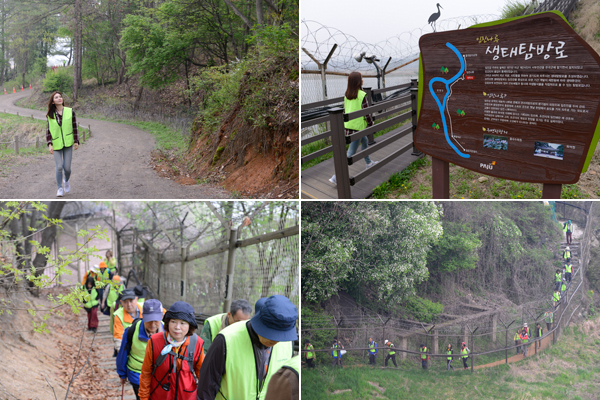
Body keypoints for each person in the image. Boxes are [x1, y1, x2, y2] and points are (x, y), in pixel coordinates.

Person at [196, 295, 296, 400]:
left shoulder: (288, 344)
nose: (276, 340)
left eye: (281, 335)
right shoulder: (226, 339)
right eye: (271, 333)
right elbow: (206, 389)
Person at [138, 301, 205, 400]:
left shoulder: (197, 343)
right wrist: (144, 398)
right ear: (168, 322)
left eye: (183, 323)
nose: (177, 327)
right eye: (173, 321)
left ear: (189, 326)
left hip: (188, 396)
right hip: (160, 396)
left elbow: (203, 375)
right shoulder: (154, 341)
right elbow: (146, 372)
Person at [329, 71, 378, 186]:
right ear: (358, 81)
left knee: (365, 141)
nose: (362, 80)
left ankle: (369, 163)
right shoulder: (362, 95)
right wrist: (371, 124)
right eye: (361, 78)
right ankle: (336, 176)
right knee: (350, 153)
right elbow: (367, 113)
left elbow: (345, 111)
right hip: (359, 128)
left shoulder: (346, 95)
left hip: (349, 127)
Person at [117, 299, 164, 400]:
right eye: (149, 320)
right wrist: (122, 373)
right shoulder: (132, 330)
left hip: (161, 376)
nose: (152, 324)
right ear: (143, 316)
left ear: (161, 317)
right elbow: (123, 353)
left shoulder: (168, 331)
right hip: (137, 375)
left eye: (156, 320)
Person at [46, 91, 79, 197]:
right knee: (59, 167)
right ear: (53, 102)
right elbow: (48, 130)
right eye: (56, 97)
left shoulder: (70, 111)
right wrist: (49, 144)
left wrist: (76, 141)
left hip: (68, 143)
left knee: (67, 168)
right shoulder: (50, 115)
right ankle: (60, 188)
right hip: (56, 144)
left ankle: (66, 180)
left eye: (60, 97)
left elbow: (74, 127)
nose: (59, 98)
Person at [113, 288, 143, 355]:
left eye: (131, 301)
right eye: (125, 302)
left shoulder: (145, 307)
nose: (129, 305)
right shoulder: (118, 315)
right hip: (129, 349)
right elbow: (118, 336)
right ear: (121, 302)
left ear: (136, 299)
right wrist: (122, 354)